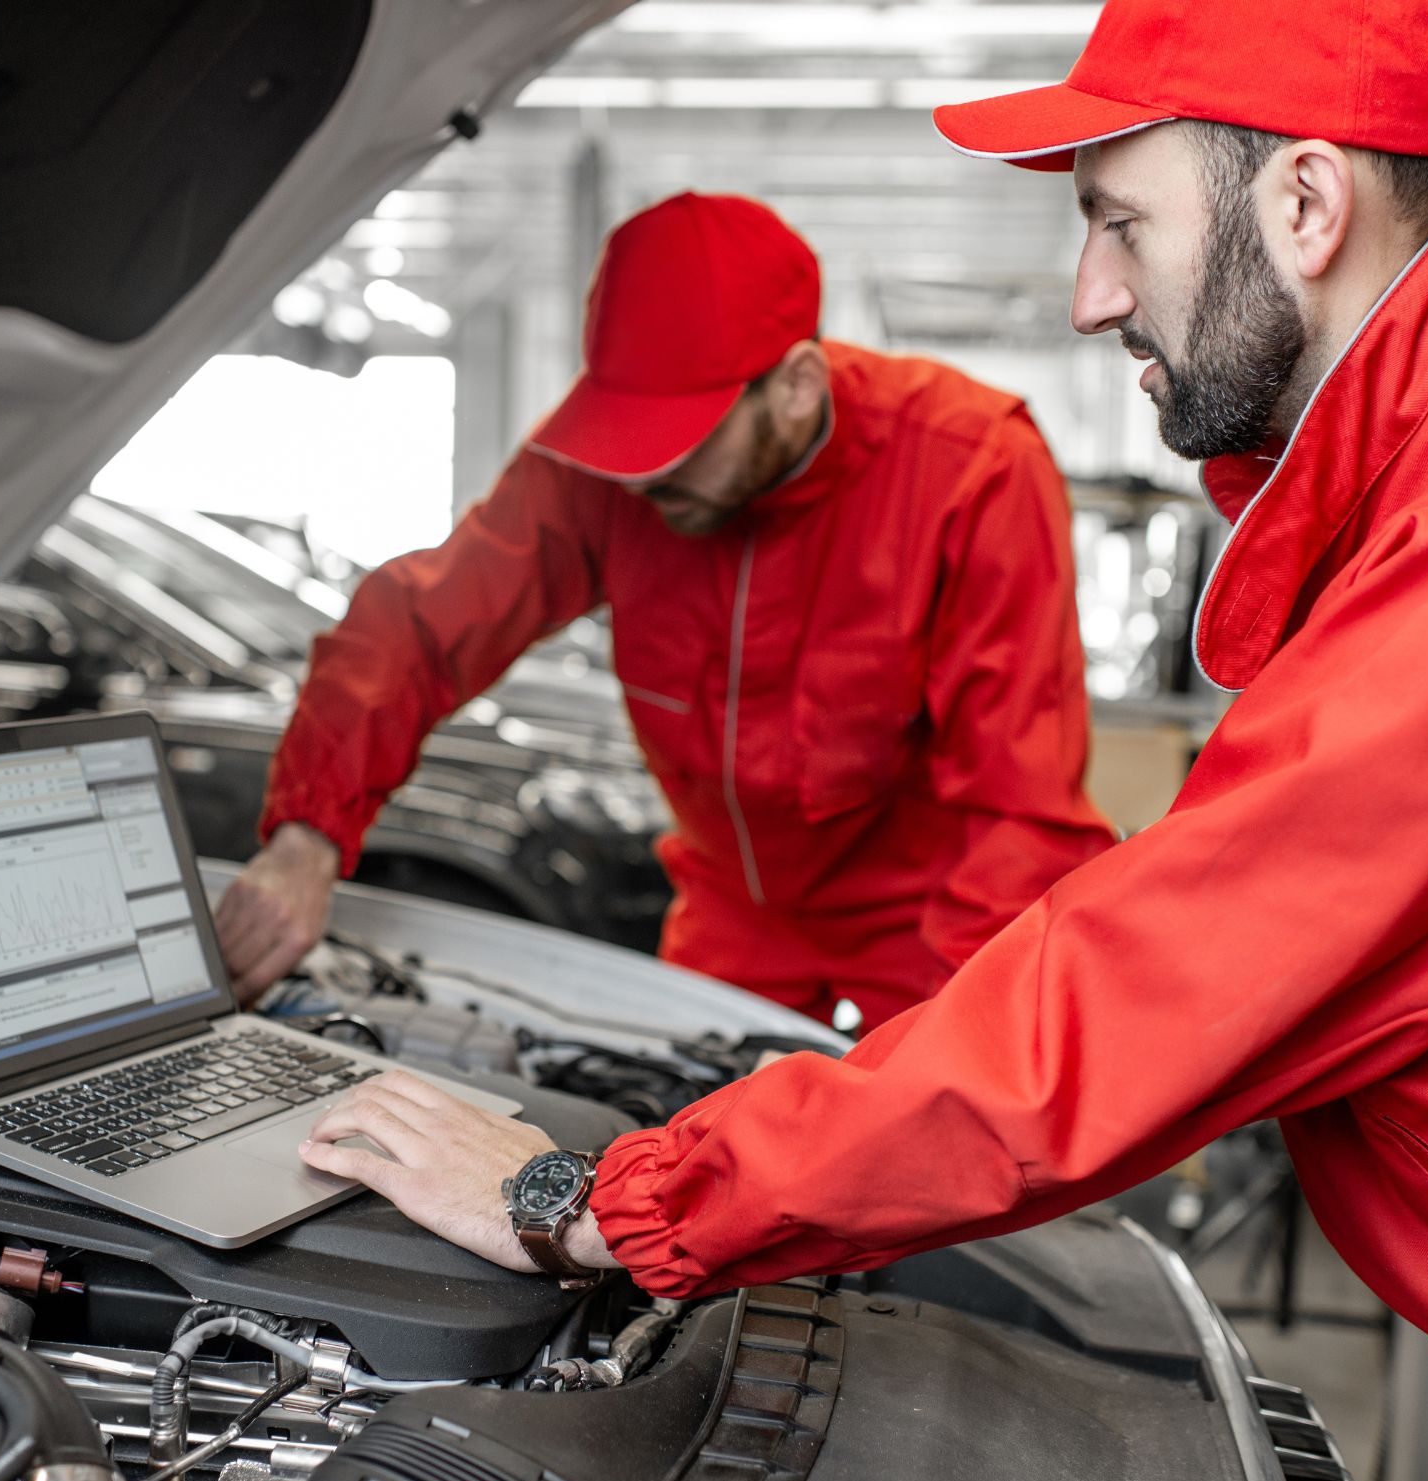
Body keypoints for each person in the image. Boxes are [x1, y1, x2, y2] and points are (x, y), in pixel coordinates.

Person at [291, 0, 1428, 1481]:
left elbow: (1126, 992)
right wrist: (307, 830)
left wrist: (593, 1203)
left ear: (1307, 205)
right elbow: (422, 622)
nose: (1091, 296)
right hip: (772, 992)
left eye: (1119, 221)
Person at [216, 191, 1114, 1031]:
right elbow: (419, 628)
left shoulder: (969, 470)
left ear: (797, 385)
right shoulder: (606, 471)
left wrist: (961, 1043)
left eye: (680, 442)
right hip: (732, 914)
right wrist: (305, 838)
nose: (642, 478)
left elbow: (1015, 810)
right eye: (626, 437)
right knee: (677, 1119)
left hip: (928, 920)